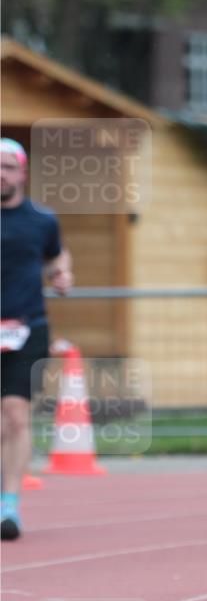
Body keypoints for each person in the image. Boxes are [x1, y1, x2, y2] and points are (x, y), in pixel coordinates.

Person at [1, 138, 73, 540]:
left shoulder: (42, 220)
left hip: (26, 326)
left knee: (14, 414)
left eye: (8, 166)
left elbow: (57, 253)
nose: (1, 173)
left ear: (23, 172)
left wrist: (62, 273)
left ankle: (8, 505)